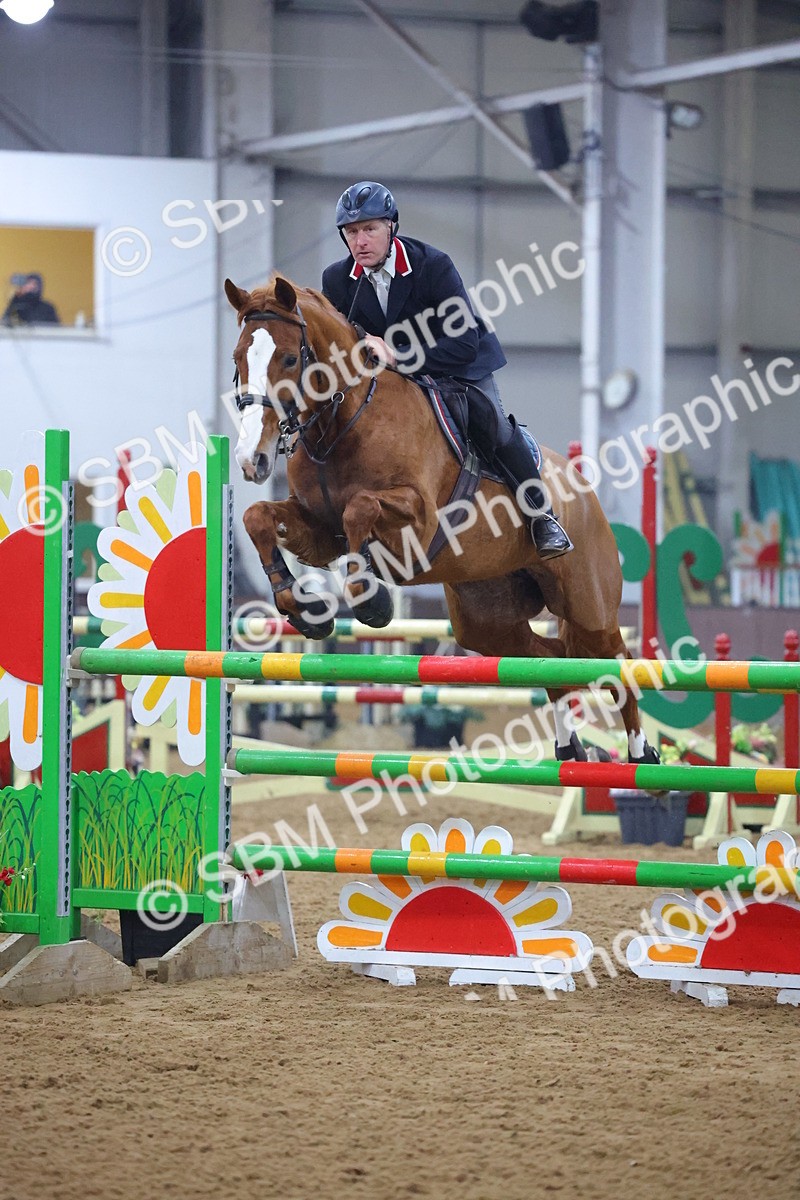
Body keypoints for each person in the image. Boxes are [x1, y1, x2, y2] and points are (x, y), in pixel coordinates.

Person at [322, 181, 572, 559]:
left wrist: (398, 356)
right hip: (389, 380)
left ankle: (542, 517)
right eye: (352, 232)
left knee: (494, 426)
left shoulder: (432, 265)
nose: (360, 241)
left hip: (457, 365)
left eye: (370, 229)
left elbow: (464, 342)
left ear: (392, 227)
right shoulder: (337, 280)